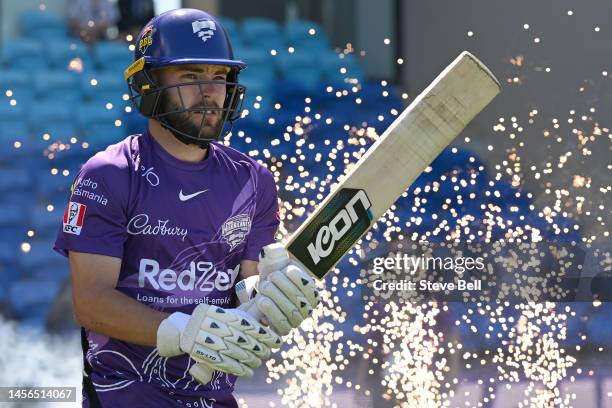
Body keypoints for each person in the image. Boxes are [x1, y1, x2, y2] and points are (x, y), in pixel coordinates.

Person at [54, 9, 320, 408]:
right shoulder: (109, 174)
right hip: (122, 395)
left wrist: (274, 300)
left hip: (214, 398)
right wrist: (180, 330)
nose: (210, 91)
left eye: (220, 77)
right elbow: (90, 302)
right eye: (190, 76)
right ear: (150, 85)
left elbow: (248, 293)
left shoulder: (254, 181)